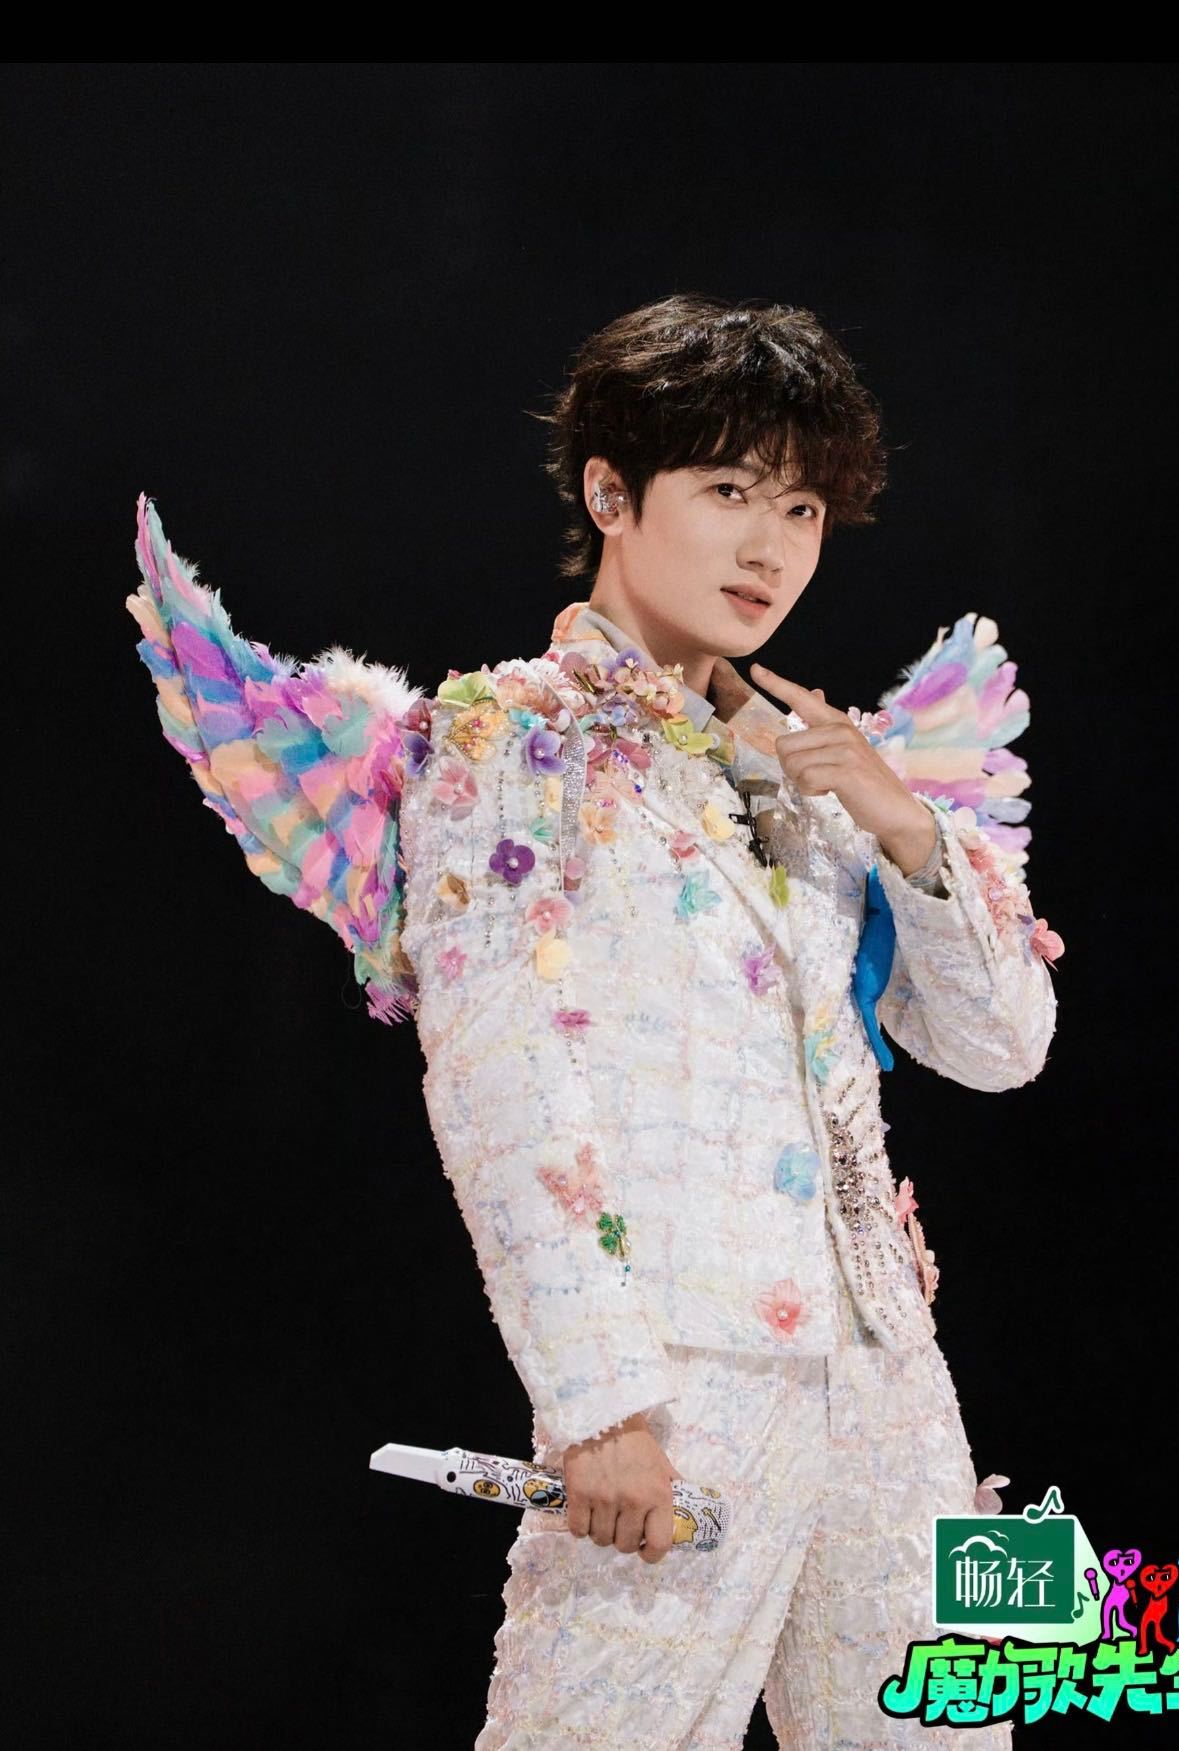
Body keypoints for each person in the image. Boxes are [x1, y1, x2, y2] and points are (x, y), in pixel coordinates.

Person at [126, 293, 1064, 1748]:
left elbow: (1004, 1047)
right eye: (730, 490)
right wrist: (601, 1404)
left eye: (803, 509)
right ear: (611, 494)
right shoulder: (508, 739)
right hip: (681, 1383)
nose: (770, 547)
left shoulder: (818, 775)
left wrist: (899, 819)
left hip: (891, 1386)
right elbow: (504, 1087)